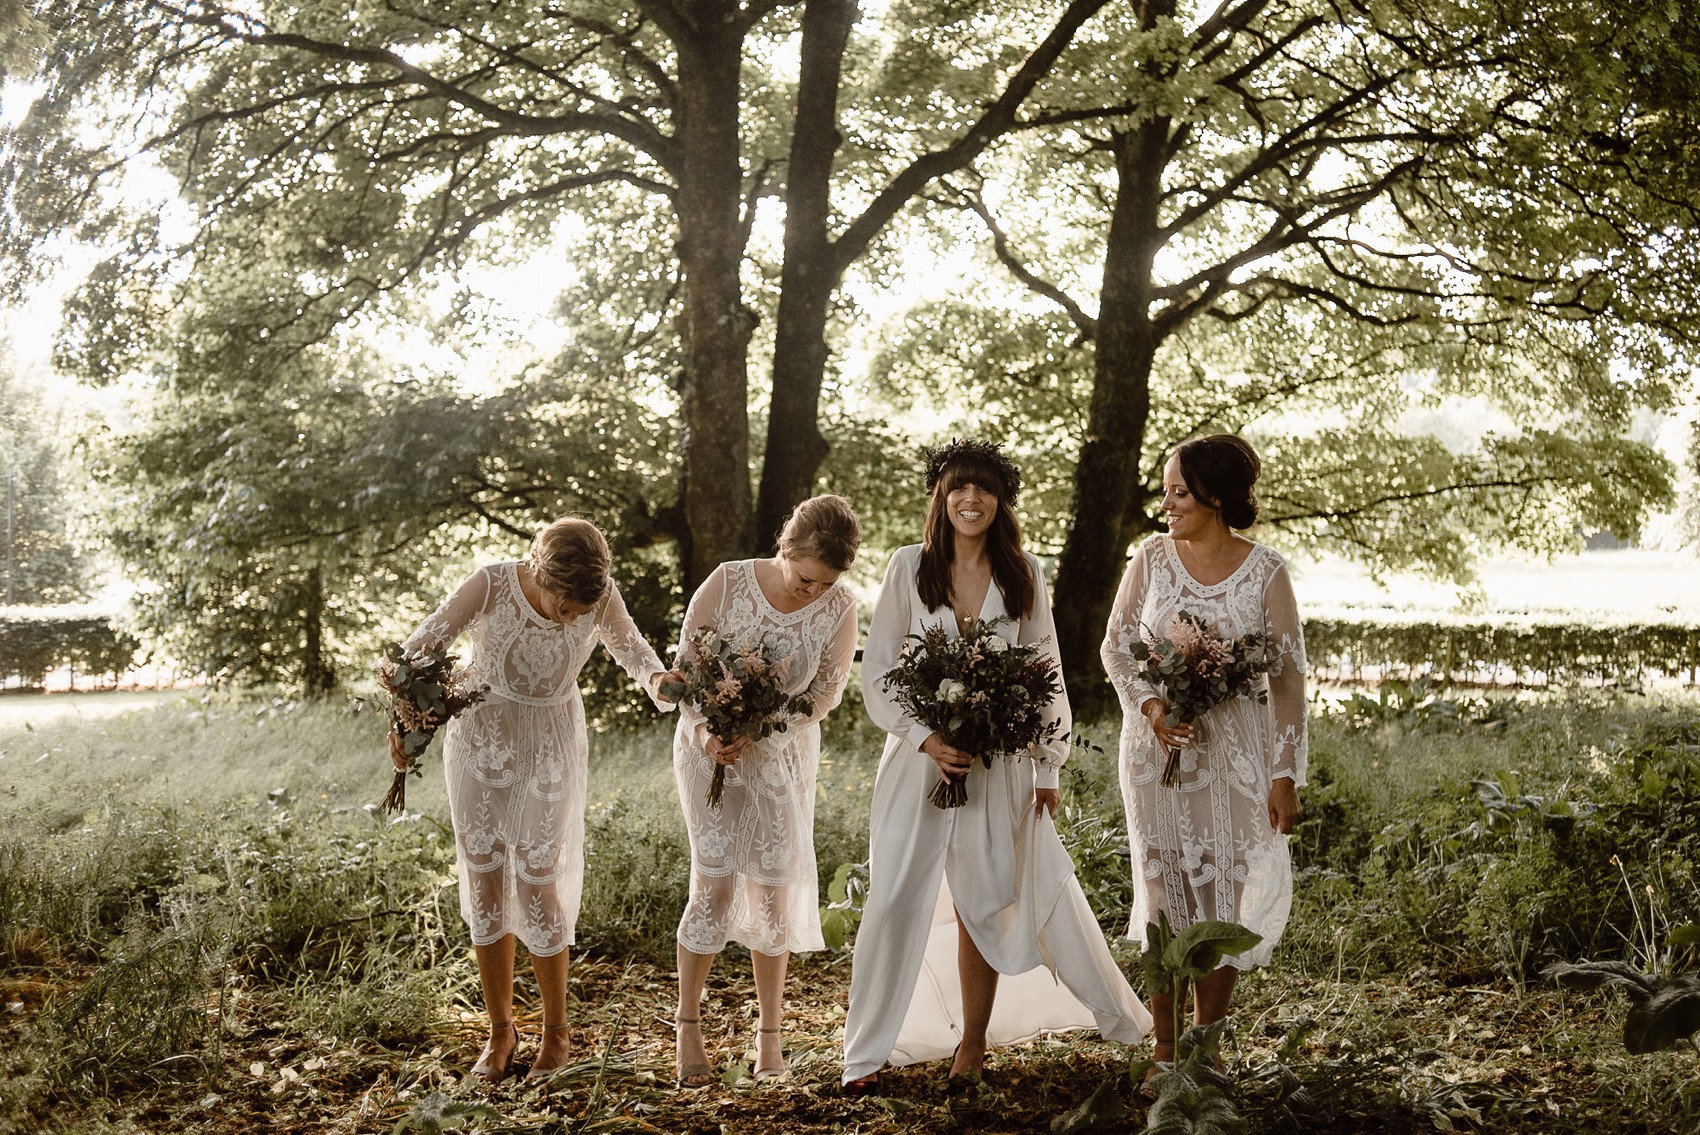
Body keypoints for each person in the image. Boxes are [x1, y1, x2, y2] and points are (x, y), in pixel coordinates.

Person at [841, 439, 1151, 1094]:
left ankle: (972, 1045)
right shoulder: (908, 567)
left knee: (987, 900)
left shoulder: (1024, 573)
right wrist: (927, 736)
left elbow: (1045, 672)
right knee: (895, 898)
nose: (970, 499)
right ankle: (864, 1052)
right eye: (958, 487)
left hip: (999, 763)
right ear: (941, 497)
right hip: (919, 764)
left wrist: (1048, 766)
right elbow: (879, 672)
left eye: (983, 488)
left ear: (1001, 500)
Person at [395, 517, 674, 1083]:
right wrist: (404, 725)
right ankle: (500, 1030)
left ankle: (557, 1031)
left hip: (551, 744)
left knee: (539, 877)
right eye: (562, 605)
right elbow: (417, 651)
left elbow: (631, 646)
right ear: (537, 570)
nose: (569, 617)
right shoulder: (492, 583)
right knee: (486, 878)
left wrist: (658, 680)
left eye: (578, 611)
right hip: (480, 741)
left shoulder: (599, 594)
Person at [1100, 434, 1307, 1085]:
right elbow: (1117, 643)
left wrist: (1285, 774)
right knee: (1163, 895)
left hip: (1236, 759)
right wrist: (1154, 709)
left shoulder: (1266, 570)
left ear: (1215, 495)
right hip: (1157, 754)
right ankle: (1164, 1053)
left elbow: (1290, 680)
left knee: (1222, 891)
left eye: (1179, 492)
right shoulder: (1152, 558)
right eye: (1166, 490)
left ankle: (1204, 1047)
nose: (1167, 504)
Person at [671, 494, 862, 1088]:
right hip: (708, 750)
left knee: (773, 889)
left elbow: (825, 695)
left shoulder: (840, 607)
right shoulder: (726, 584)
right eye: (806, 578)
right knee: (716, 881)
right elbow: (686, 671)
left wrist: (761, 725)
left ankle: (769, 1037)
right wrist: (709, 732)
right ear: (786, 548)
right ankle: (687, 1025)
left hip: (782, 753)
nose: (813, 593)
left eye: (825, 584)